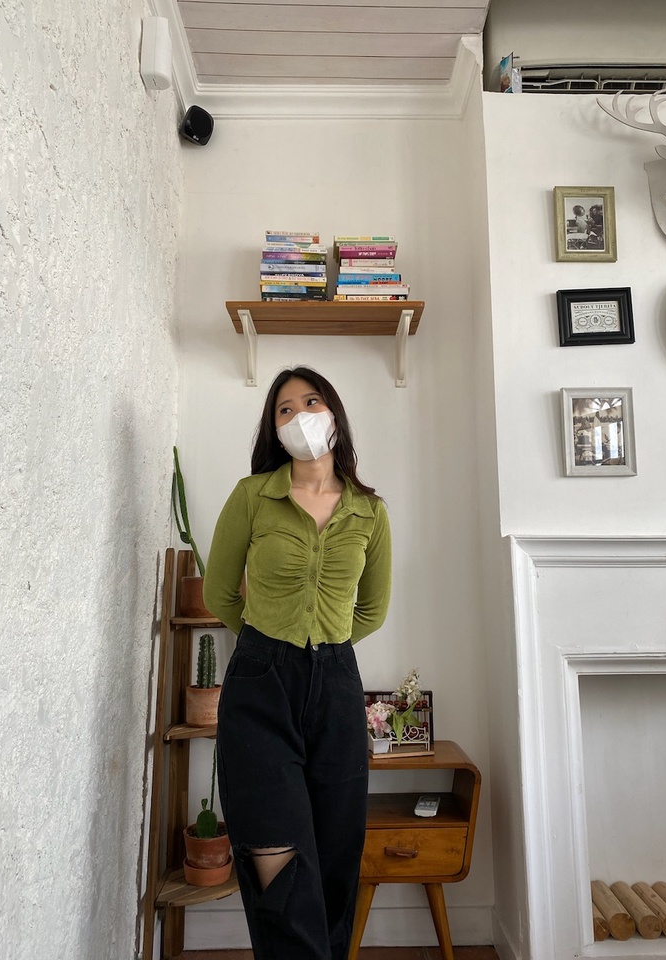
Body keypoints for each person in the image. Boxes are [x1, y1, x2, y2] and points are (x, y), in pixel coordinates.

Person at [203, 365, 392, 960]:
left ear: (334, 414)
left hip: (337, 688)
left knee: (335, 861)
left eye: (311, 402)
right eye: (285, 409)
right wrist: (268, 643)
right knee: (275, 858)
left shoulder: (370, 512)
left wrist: (325, 647)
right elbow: (219, 594)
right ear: (274, 428)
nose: (300, 416)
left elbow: (372, 610)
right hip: (260, 688)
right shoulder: (252, 496)